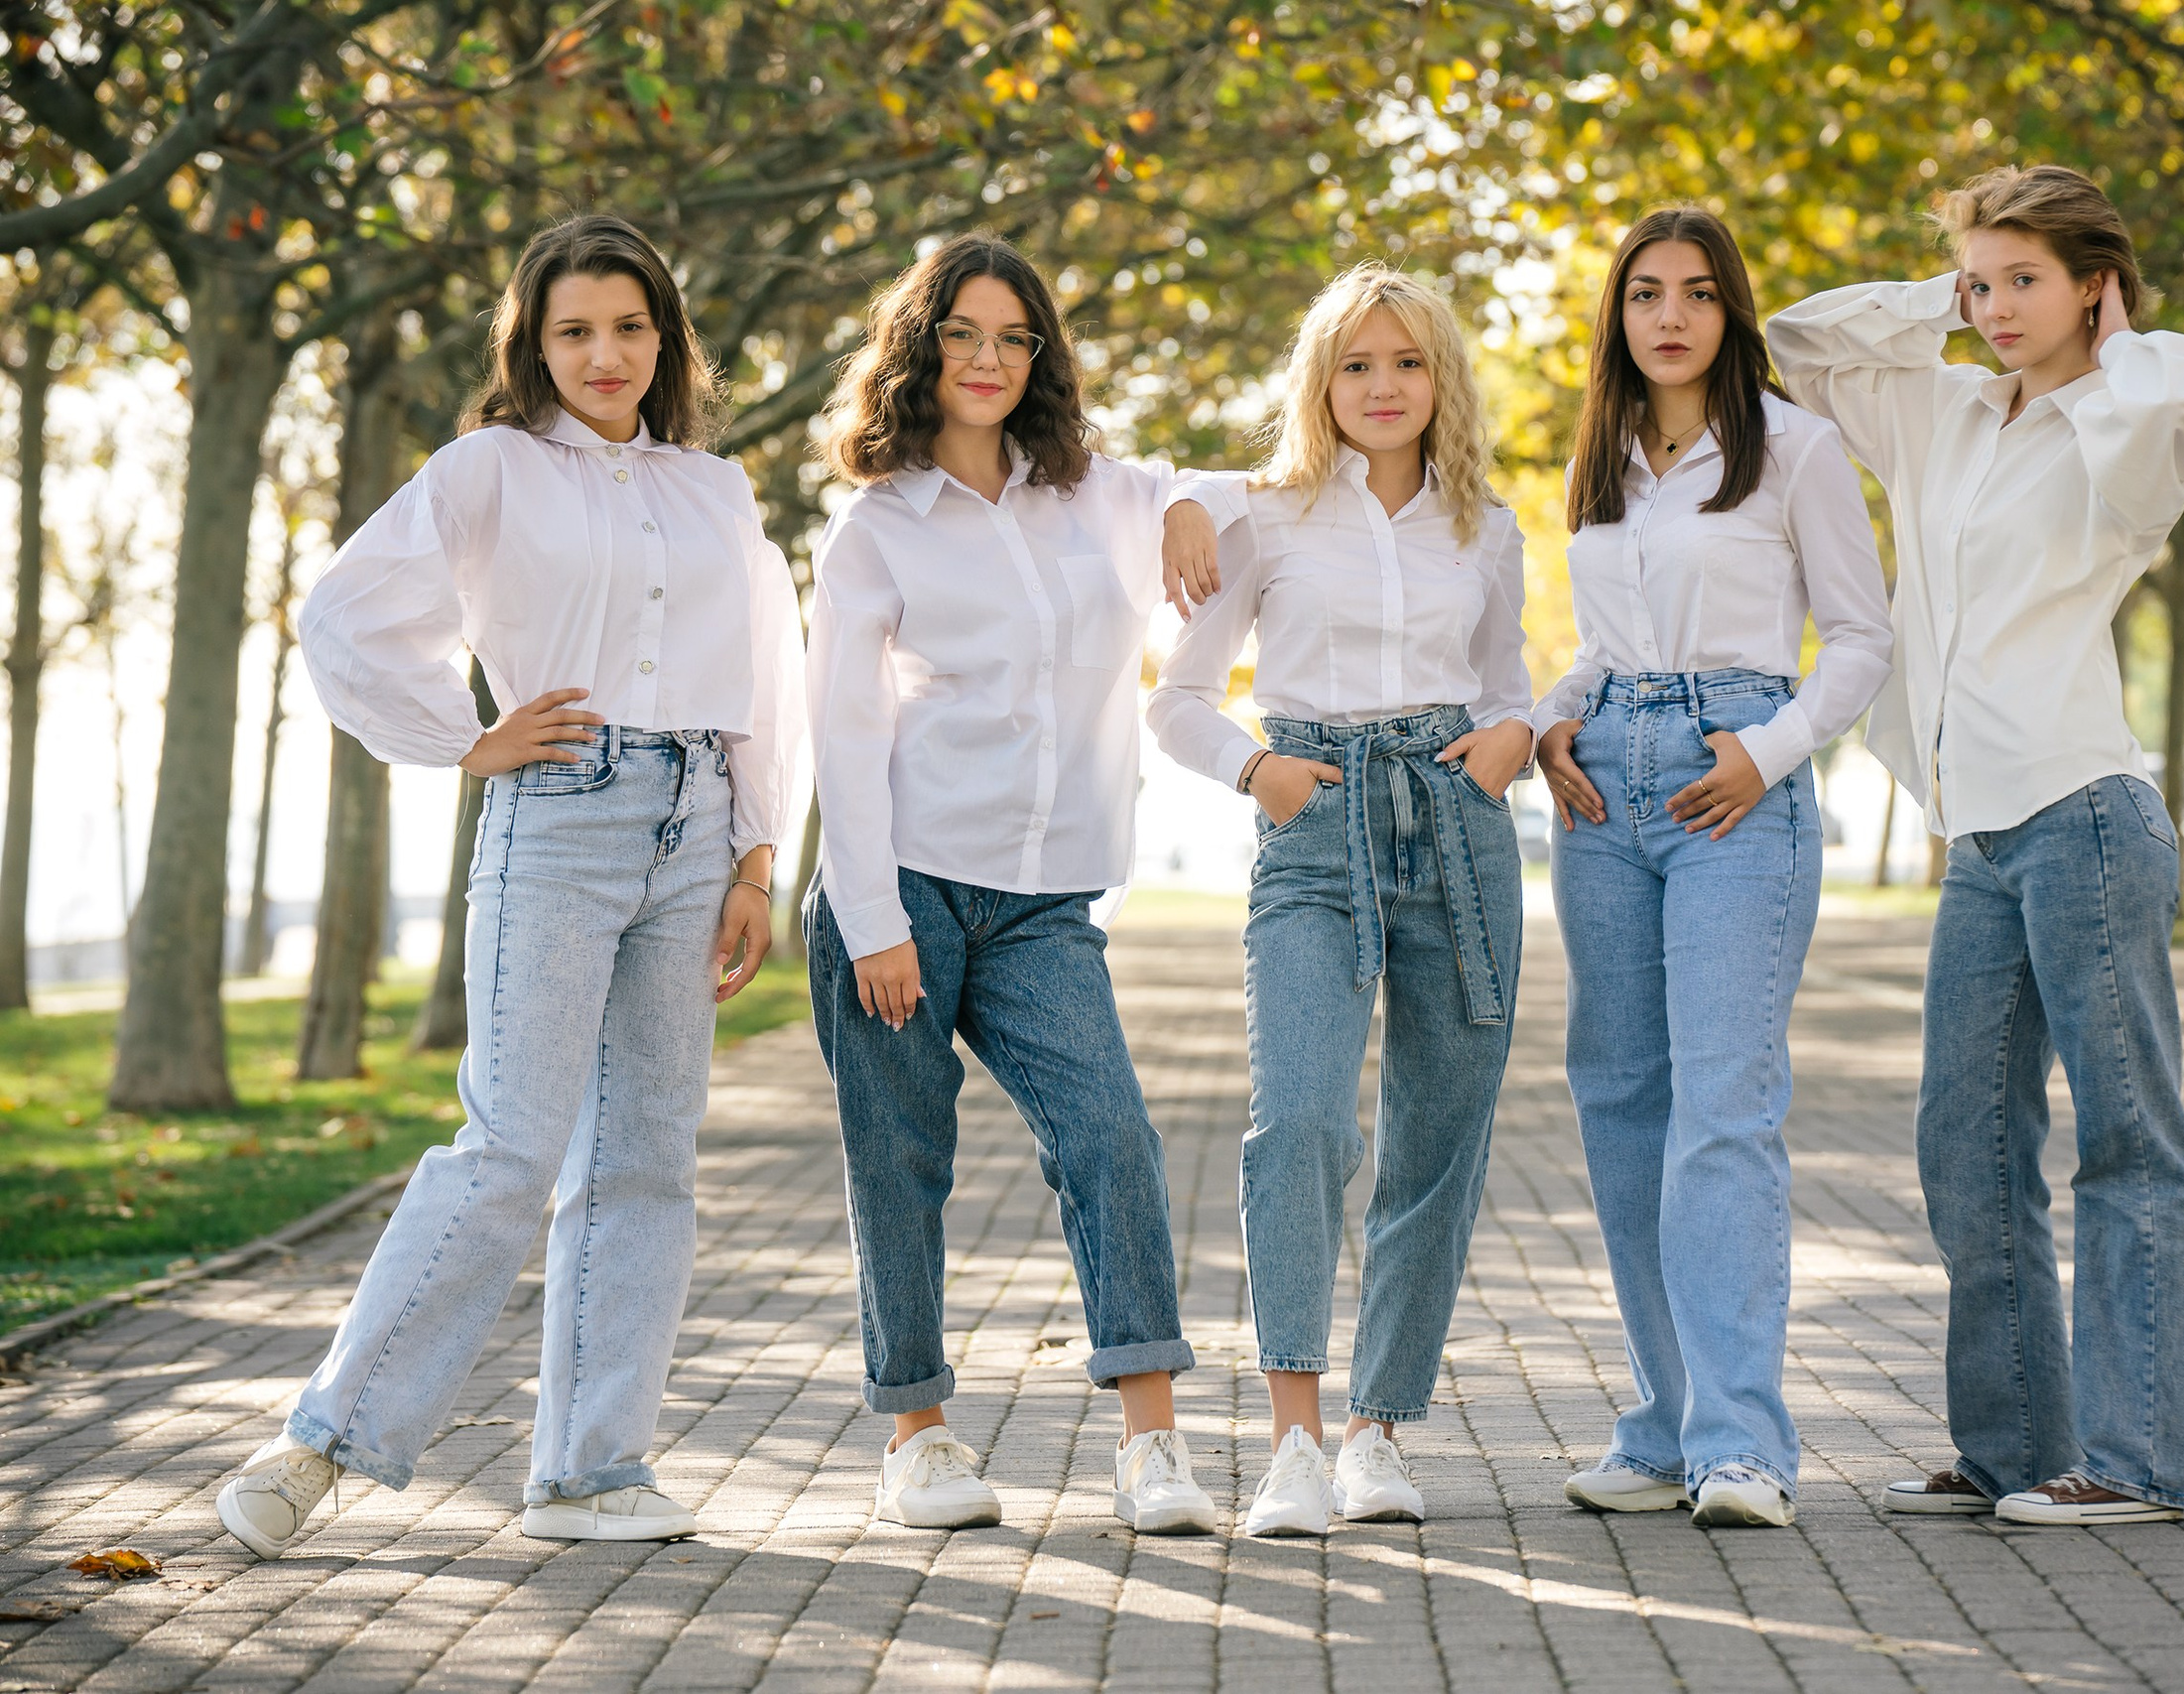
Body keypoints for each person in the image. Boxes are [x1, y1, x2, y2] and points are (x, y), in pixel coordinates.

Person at [216, 213, 804, 1557]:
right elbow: (349, 610)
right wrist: (462, 739)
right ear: (534, 346)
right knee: (510, 1145)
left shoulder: (715, 491)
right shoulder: (490, 468)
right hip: (560, 810)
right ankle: (322, 1438)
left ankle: (595, 1471)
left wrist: (759, 852)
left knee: (647, 1159)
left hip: (697, 821)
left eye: (631, 326)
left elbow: (768, 670)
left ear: (667, 336)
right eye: (575, 330)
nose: (607, 354)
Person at [1768, 165, 2184, 1525]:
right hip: (1978, 825)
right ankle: (2015, 1445)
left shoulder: (2124, 430)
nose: (1996, 306)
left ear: (2095, 284)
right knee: (1963, 1141)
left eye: (2024, 278)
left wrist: (2104, 329)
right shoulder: (1942, 412)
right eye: (1983, 280)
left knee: (2128, 1139)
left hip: (2084, 808)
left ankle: (2143, 1460)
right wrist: (1954, 297)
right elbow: (1801, 338)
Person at [805, 231, 1243, 1535]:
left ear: (1037, 357)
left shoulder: (1093, 490)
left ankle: (1152, 1440)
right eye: (963, 334)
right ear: (919, 350)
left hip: (1046, 898)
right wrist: (874, 918)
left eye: (1013, 338)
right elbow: (845, 733)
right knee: (900, 1160)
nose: (989, 359)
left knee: (1109, 1137)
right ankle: (920, 1434)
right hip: (908, 886)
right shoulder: (876, 529)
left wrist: (1179, 501)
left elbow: (1217, 489)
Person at [1150, 266, 1532, 1537]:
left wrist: (1513, 735)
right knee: (1300, 1124)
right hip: (1317, 827)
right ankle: (1294, 1444)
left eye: (1406, 363)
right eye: (1356, 365)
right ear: (1322, 381)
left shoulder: (1488, 527)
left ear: (1442, 380)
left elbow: (1509, 681)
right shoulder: (1262, 518)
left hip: (1457, 833)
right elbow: (1177, 699)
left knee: (1437, 1141)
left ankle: (1379, 1429)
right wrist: (1258, 774)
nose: (1382, 387)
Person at [1532, 209, 1892, 1529]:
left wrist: (1772, 747)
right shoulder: (1607, 456)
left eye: (1694, 292)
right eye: (1642, 293)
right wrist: (1548, 717)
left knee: (1722, 1109)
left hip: (1734, 782)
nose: (1668, 314)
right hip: (1604, 779)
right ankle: (1665, 1421)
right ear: (1618, 316)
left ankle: (1744, 1442)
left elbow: (1859, 634)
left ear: (1732, 310)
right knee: (1622, 1102)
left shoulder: (1795, 447)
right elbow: (1603, 643)